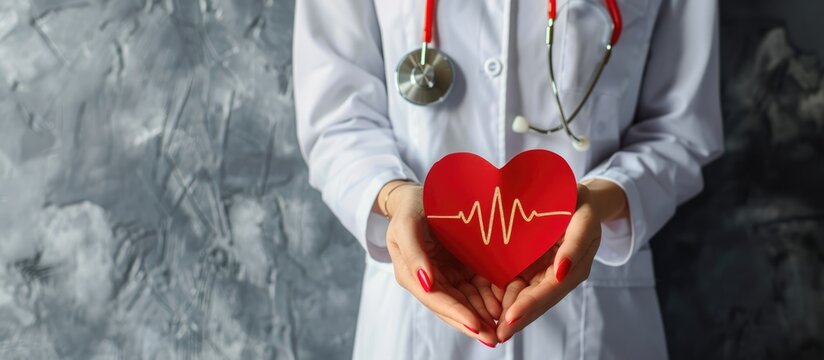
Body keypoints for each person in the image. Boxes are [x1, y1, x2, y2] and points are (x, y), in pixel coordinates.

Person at [293, 0, 723, 359]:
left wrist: (603, 199)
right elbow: (336, 121)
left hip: (597, 322)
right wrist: (394, 196)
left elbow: (681, 131)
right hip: (416, 325)